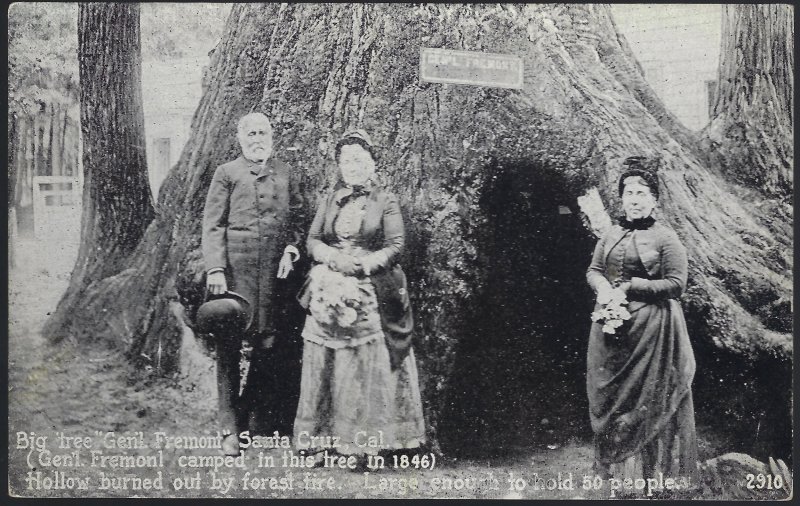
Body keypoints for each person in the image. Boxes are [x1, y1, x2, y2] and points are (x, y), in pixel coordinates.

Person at [293, 129, 425, 466]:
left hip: (370, 286)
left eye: (359, 159)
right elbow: (312, 241)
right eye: (346, 160)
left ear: (372, 163)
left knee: (365, 361)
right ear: (339, 165)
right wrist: (334, 260)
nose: (352, 165)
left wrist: (363, 265)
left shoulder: (386, 201)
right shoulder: (330, 199)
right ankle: (320, 440)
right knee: (324, 360)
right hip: (328, 284)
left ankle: (366, 444)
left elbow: (395, 245)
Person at [585, 156, 699, 494]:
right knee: (615, 401)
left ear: (654, 199)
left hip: (654, 333)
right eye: (629, 192)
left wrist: (632, 286)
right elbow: (593, 270)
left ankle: (656, 478)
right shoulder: (610, 235)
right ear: (621, 198)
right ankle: (623, 482)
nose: (634, 199)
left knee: (650, 400)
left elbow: (677, 284)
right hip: (611, 331)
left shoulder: (666, 238)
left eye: (642, 192)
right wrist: (603, 288)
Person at [201, 112, 306, 455]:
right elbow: (213, 225)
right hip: (235, 276)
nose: (257, 138)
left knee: (269, 348)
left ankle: (248, 418)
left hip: (275, 281)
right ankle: (229, 429)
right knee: (229, 351)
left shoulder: (285, 172)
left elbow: (299, 216)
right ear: (241, 137)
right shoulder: (227, 173)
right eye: (251, 133)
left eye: (263, 132)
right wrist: (216, 269)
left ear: (272, 136)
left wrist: (292, 247)